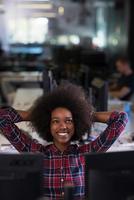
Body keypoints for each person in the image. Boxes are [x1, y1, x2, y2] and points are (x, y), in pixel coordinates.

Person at [0, 83, 128, 200]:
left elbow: (120, 119)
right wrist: (36, 115)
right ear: (47, 124)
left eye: (69, 121)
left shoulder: (87, 154)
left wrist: (88, 116)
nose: (63, 126)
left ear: (77, 123)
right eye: (55, 121)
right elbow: (3, 118)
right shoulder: (36, 153)